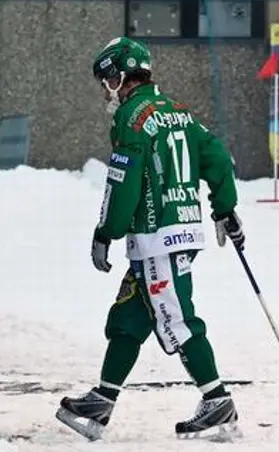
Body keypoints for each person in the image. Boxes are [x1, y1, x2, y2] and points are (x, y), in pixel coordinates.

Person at [55, 37, 245, 441]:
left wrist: (106, 232)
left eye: (107, 79)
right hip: (176, 232)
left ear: (120, 75)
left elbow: (122, 185)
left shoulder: (130, 118)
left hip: (159, 238)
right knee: (128, 319)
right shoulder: (180, 112)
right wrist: (225, 206)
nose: (106, 89)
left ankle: (217, 401)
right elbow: (217, 158)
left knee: (177, 319)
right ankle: (102, 400)